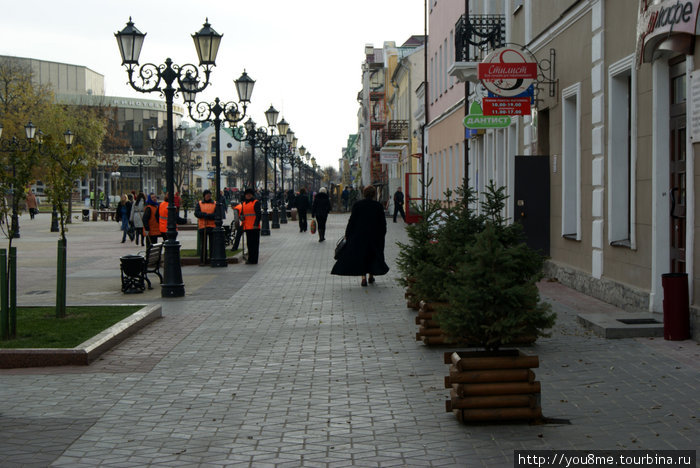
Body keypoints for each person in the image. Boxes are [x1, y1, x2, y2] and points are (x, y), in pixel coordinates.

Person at [331, 185, 389, 287]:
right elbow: (382, 222)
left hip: (360, 235)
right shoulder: (378, 206)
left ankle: (363, 278)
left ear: (363, 193)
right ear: (374, 194)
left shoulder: (358, 205)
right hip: (375, 235)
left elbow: (351, 221)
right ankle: (371, 275)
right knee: (373, 255)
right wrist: (382, 233)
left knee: (362, 256)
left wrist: (347, 234)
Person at [240, 188, 261, 264]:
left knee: (255, 244)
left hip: (254, 227)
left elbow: (258, 214)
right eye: (247, 194)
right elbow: (242, 214)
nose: (248, 195)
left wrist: (256, 224)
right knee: (249, 244)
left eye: (250, 194)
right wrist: (241, 217)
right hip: (247, 227)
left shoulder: (256, 202)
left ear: (252, 195)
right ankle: (250, 258)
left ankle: (254, 259)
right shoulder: (243, 204)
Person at [195, 190, 216, 264]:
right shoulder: (200, 203)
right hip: (202, 226)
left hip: (212, 226)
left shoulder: (214, 203)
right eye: (207, 195)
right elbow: (196, 213)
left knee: (212, 244)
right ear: (204, 196)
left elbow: (216, 214)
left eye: (209, 195)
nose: (208, 196)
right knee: (203, 245)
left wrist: (209, 216)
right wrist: (204, 215)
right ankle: (203, 259)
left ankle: (212, 258)